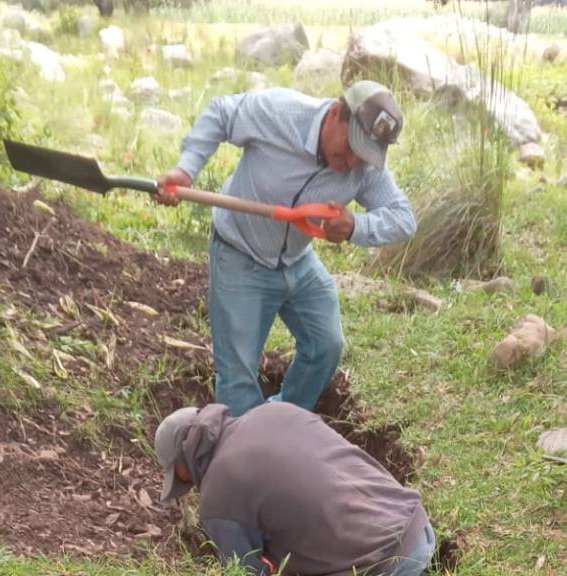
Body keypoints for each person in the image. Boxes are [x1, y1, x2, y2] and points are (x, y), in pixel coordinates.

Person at [156, 82, 416, 419]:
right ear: (336, 114)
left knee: (325, 346)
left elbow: (404, 219)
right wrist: (187, 168)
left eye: (364, 154)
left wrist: (356, 228)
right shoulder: (280, 113)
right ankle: (241, 454)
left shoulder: (364, 168)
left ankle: (279, 425)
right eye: (352, 146)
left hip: (298, 260)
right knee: (237, 377)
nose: (353, 161)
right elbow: (221, 113)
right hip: (240, 254)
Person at [152, 401, 436, 576]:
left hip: (385, 570)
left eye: (177, 475)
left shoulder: (218, 494)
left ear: (182, 461)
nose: (184, 484)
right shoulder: (275, 411)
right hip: (417, 526)